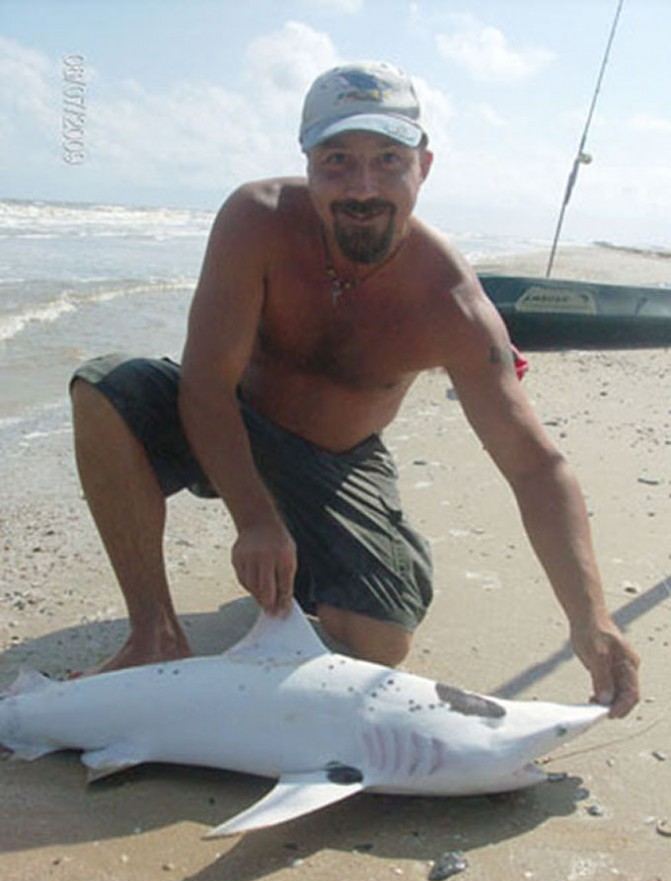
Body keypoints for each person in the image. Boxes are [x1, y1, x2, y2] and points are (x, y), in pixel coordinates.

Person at [70, 61, 639, 717]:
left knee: (379, 639)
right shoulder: (254, 222)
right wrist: (253, 517)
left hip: (335, 463)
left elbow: (535, 466)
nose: (362, 186)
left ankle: (306, 566)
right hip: (224, 420)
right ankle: (154, 633)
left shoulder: (450, 304)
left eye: (387, 160)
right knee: (106, 386)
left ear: (422, 168)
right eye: (337, 159)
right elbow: (203, 385)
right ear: (308, 163)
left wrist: (590, 619)